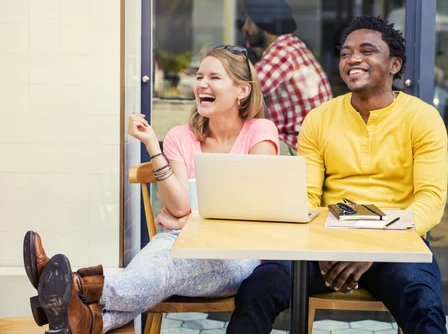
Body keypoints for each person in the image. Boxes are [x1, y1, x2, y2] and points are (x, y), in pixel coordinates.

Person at [23, 44, 279, 334]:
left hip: (235, 253)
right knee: (151, 273)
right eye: (199, 76)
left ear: (242, 91)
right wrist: (151, 145)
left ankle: (71, 284)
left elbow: (250, 208)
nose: (202, 84)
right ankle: (86, 320)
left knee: (166, 272)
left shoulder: (261, 131)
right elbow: (181, 206)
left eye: (214, 77)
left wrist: (187, 221)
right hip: (177, 239)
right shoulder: (180, 136)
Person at [227, 15, 448, 334]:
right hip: (326, 246)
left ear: (394, 65)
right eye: (346, 53)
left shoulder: (423, 119)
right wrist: (324, 246)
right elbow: (305, 197)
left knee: (423, 305)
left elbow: (430, 201)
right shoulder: (319, 119)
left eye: (367, 50)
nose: (353, 58)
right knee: (258, 288)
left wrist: (371, 247)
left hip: (396, 245)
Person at [241, 0, 333, 154]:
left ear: (265, 23)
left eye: (250, 21)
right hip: (310, 143)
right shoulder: (291, 45)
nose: (245, 28)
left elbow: (240, 92)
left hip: (298, 146)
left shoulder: (282, 53)